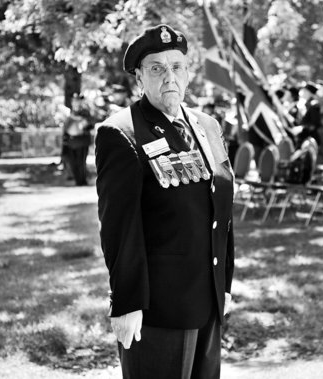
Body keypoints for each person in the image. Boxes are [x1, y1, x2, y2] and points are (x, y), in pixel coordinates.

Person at [95, 24, 234, 379]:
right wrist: (127, 304)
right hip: (158, 310)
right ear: (139, 77)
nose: (169, 76)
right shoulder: (122, 133)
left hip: (208, 302)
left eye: (177, 66)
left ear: (187, 72)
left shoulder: (209, 126)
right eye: (156, 68)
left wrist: (225, 284)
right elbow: (119, 228)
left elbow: (220, 210)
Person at [62, 93, 93, 186]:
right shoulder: (69, 112)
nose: (77, 102)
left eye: (79, 100)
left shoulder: (85, 112)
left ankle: (82, 181)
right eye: (75, 100)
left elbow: (89, 125)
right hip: (71, 141)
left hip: (82, 140)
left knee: (81, 162)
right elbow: (65, 127)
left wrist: (78, 119)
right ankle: (77, 181)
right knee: (72, 163)